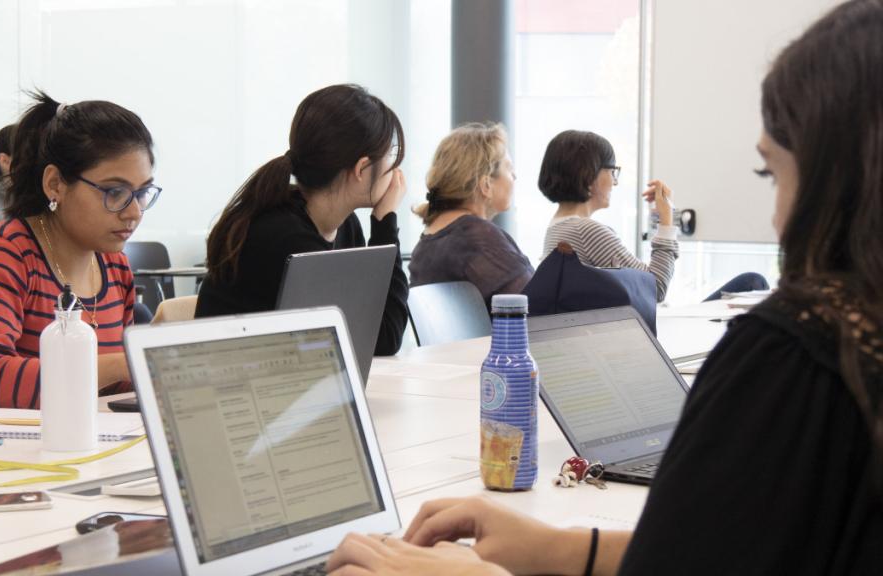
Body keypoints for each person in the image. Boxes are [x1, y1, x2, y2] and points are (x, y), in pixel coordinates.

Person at [326, 0, 883, 573]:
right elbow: (727, 553)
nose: (777, 220)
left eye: (772, 173)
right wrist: (568, 550)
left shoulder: (798, 360)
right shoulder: (842, 358)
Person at [0, 92, 160, 410]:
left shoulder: (114, 266)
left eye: (143, 192)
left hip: (79, 444)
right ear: (55, 184)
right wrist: (127, 362)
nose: (133, 211)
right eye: (115, 192)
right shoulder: (2, 255)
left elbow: (111, 390)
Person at [196, 84, 409, 355]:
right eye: (391, 156)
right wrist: (386, 225)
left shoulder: (345, 226)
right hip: (237, 388)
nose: (396, 171)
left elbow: (374, 332)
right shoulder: (283, 236)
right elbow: (382, 339)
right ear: (362, 169)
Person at [538, 130, 679, 302]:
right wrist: (666, 221)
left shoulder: (557, 227)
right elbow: (655, 288)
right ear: (589, 173)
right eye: (612, 172)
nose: (615, 182)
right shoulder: (586, 231)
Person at [408, 123, 534, 304]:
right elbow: (538, 307)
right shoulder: (479, 238)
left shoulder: (426, 242)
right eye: (509, 168)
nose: (514, 176)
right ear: (485, 185)